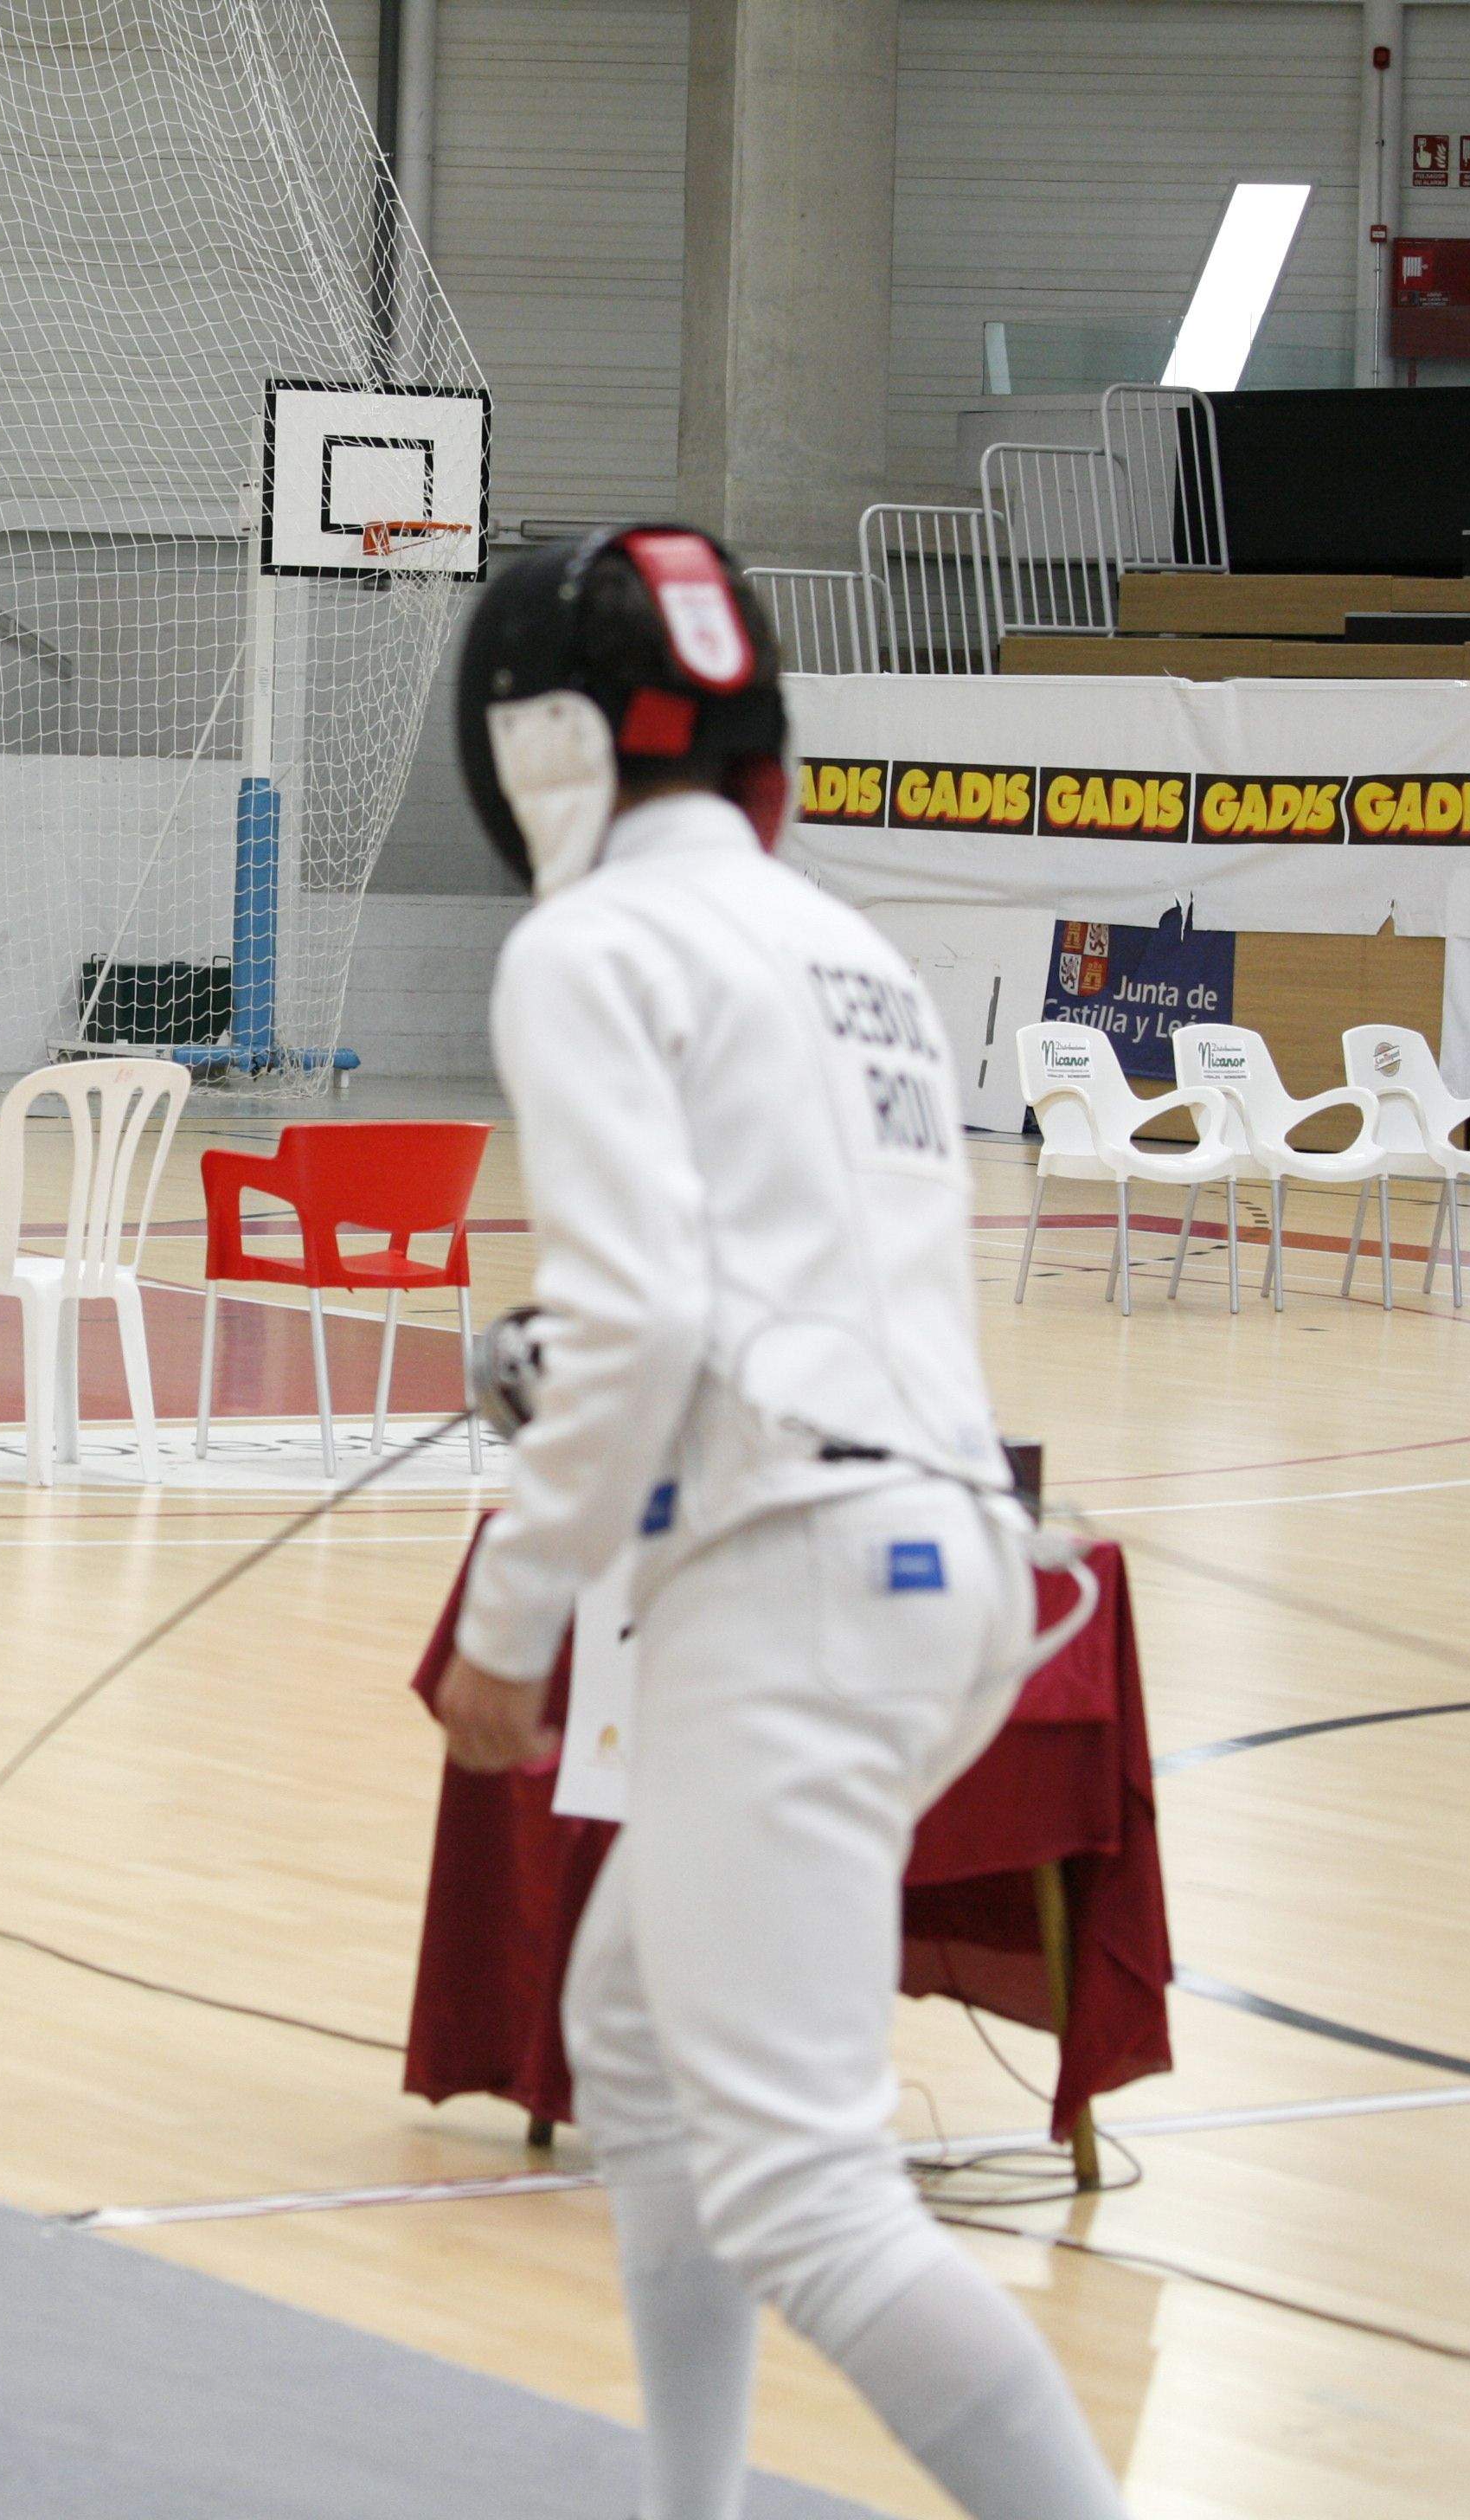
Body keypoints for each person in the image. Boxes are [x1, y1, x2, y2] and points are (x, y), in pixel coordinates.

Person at [428, 527, 1131, 2520]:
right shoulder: (849, 947)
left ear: (538, 749)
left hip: (803, 1585)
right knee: (632, 2040)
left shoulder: (588, 949)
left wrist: (508, 1625)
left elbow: (648, 1316)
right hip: (951, 1565)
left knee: (810, 2198)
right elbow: (746, 1286)